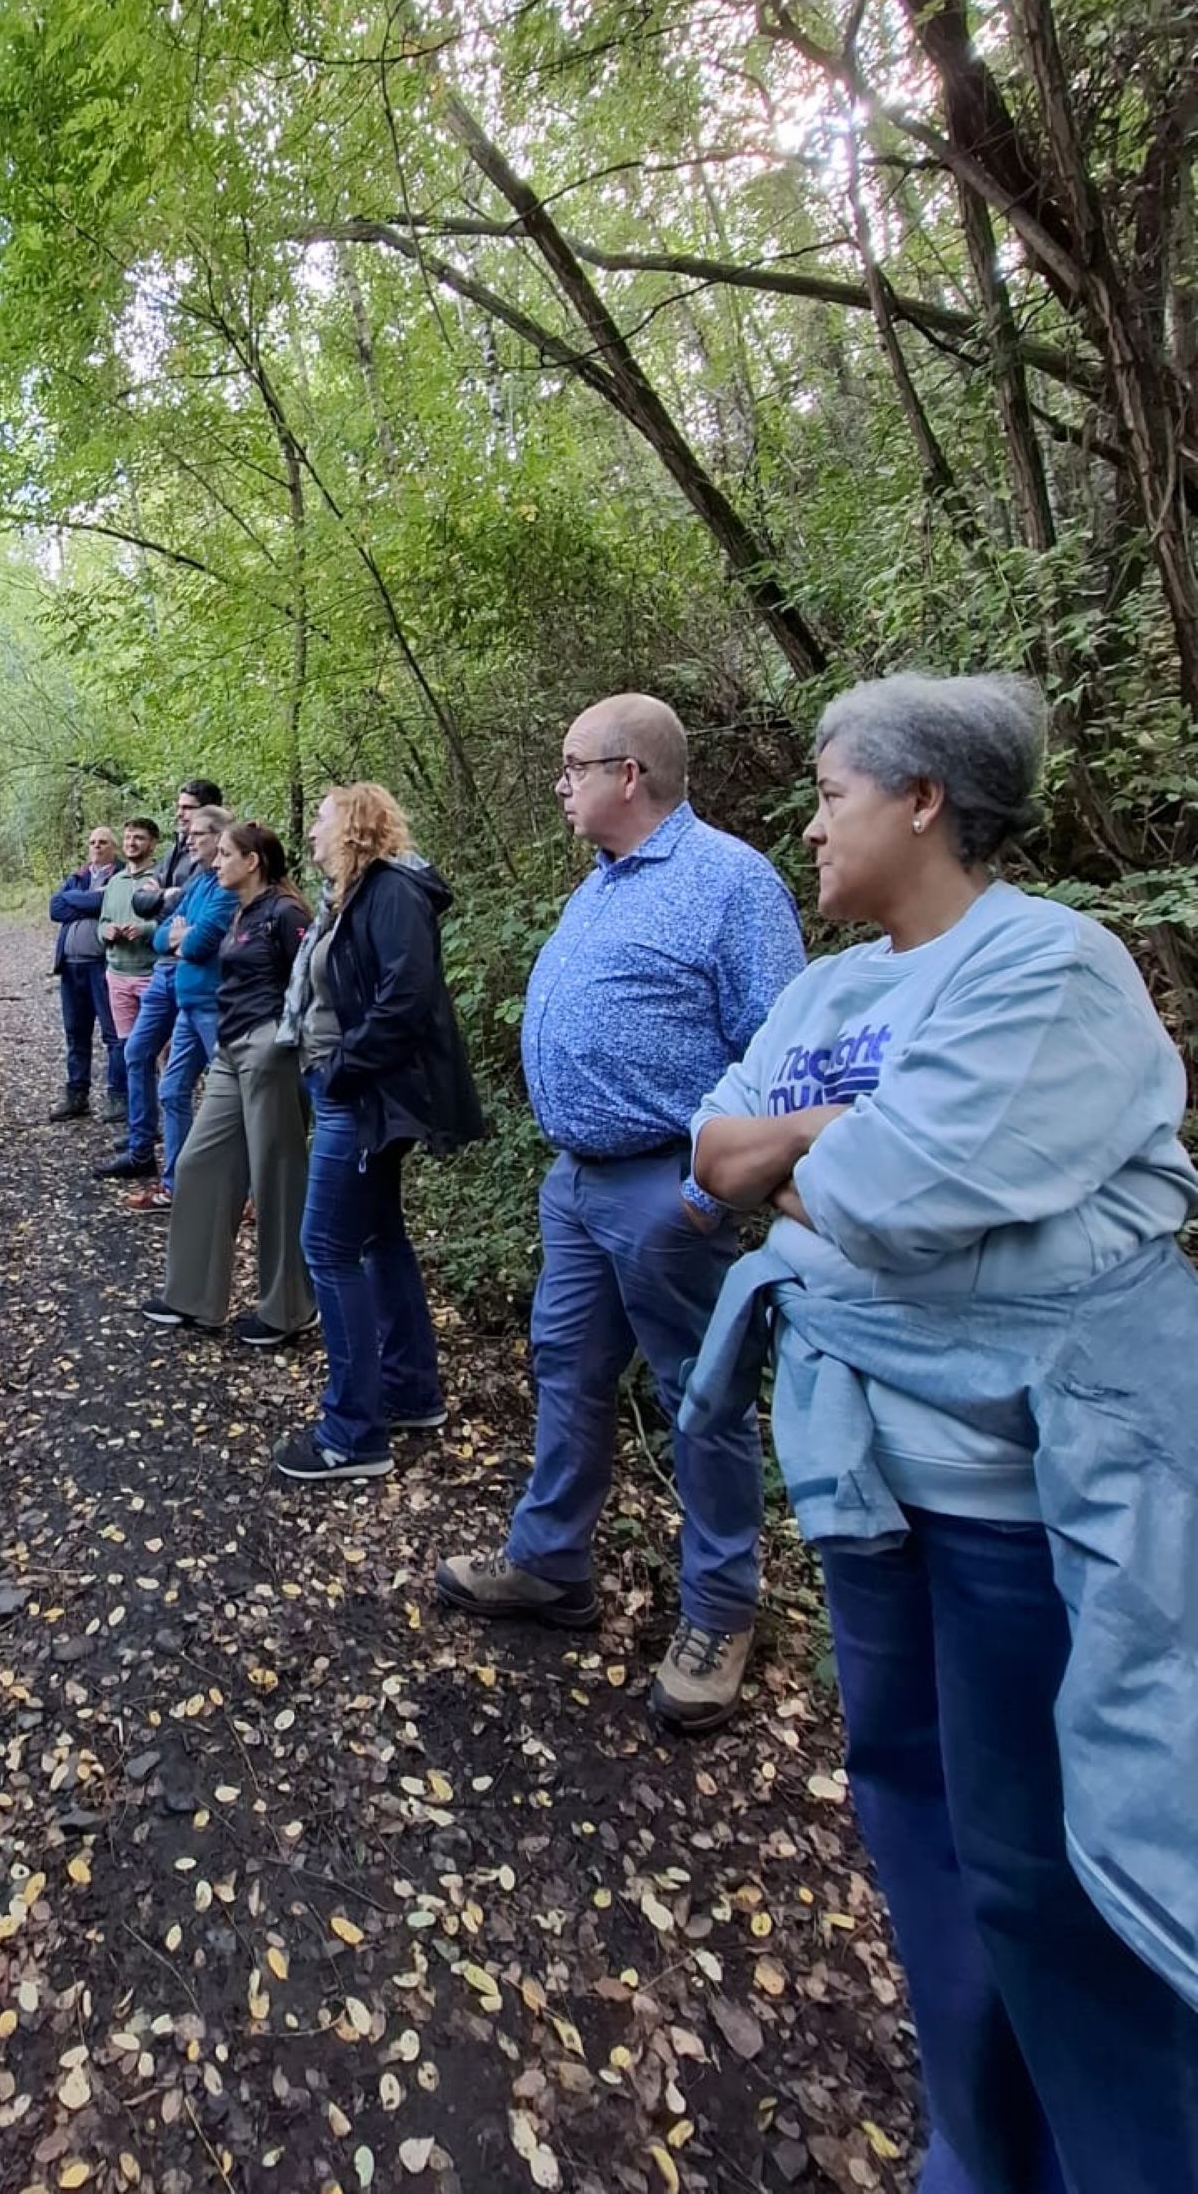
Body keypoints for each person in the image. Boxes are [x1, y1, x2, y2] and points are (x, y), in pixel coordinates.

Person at [682, 672, 1198, 2192]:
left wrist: (809, 1151)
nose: (811, 818)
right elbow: (714, 1151)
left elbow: (897, 1207)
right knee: (916, 1824)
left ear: (921, 798)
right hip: (866, 1490)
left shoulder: (1050, 967)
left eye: (833, 788)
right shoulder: (831, 990)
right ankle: (978, 2154)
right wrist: (833, 1143)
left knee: (1054, 1868)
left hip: (1023, 1501)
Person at [435, 693, 804, 1736]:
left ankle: (720, 1613)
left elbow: (779, 1052)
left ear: (627, 774)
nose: (559, 785)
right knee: (563, 1370)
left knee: (702, 1396)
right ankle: (551, 1567)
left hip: (667, 1187)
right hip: (580, 1183)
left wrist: (703, 1188)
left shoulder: (729, 882)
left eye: (570, 766)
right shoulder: (598, 884)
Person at [273, 784, 484, 1483]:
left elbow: (406, 995)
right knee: (378, 1236)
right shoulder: (358, 894)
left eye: (322, 817)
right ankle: (410, 1392)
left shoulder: (392, 890)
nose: (311, 829)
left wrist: (341, 1067)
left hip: (361, 1098)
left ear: (356, 824)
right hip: (355, 1091)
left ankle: (353, 1431)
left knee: (327, 1246)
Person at [142, 819, 316, 1345]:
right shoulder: (243, 912)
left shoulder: (287, 914)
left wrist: (293, 1045)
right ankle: (193, 1297)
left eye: (224, 855)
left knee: (276, 1176)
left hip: (270, 1050)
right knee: (198, 1162)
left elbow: (311, 985)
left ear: (252, 862)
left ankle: (288, 1310)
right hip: (230, 1048)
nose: (215, 863)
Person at [100, 778, 223, 1184]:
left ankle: (203, 1172)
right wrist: (168, 907)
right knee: (137, 1052)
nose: (179, 815)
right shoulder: (179, 849)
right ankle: (142, 1149)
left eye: (187, 808)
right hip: (165, 970)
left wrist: (168, 903)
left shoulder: (217, 862)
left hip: (199, 983)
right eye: (179, 808)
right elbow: (150, 910)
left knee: (208, 1081)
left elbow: (199, 933)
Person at [127, 805, 234, 1212]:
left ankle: (245, 1192)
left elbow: (198, 943)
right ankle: (177, 1187)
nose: (190, 838)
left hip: (215, 1006)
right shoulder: (200, 882)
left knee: (231, 1098)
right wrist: (178, 936)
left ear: (221, 838)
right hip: (189, 1005)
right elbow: (159, 938)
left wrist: (181, 937)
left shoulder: (226, 886)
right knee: (172, 1091)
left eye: (201, 834)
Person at [47, 825, 125, 1121]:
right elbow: (55, 908)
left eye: (103, 842)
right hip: (70, 966)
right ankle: (76, 1095)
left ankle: (118, 1096)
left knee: (113, 1033)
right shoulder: (79, 876)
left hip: (103, 966)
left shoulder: (121, 877)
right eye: (92, 842)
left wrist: (79, 900)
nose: (97, 847)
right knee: (75, 1033)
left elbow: (108, 904)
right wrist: (91, 901)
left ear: (113, 847)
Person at [97, 818, 163, 1063]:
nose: (131, 843)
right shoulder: (115, 882)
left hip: (151, 973)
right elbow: (102, 922)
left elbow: (176, 923)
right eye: (127, 838)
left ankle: (164, 1098)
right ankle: (135, 1100)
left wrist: (144, 929)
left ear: (153, 843)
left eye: (138, 838)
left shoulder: (161, 878)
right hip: (117, 974)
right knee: (129, 1048)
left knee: (161, 1048)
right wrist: (106, 932)